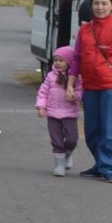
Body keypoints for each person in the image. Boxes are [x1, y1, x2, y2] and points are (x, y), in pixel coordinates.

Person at [65, 0, 112, 181]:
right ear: (91, 6)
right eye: (96, 3)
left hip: (111, 87)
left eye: (104, 3)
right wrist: (71, 84)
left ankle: (110, 168)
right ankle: (100, 163)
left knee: (111, 130)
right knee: (92, 131)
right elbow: (78, 58)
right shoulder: (84, 30)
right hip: (90, 87)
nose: (100, 7)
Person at [34, 45, 80, 177]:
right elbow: (43, 92)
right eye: (56, 60)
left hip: (69, 113)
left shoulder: (75, 78)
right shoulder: (50, 76)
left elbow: (80, 91)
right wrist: (41, 107)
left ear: (70, 62)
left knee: (72, 139)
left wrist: (75, 96)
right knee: (57, 140)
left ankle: (68, 154)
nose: (58, 63)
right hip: (53, 113)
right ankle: (59, 165)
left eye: (61, 60)